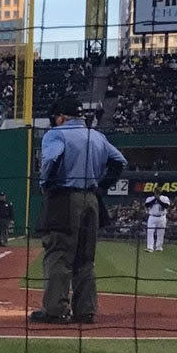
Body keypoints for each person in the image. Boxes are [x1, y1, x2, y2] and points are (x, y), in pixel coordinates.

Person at [32, 97, 126, 324]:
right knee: (85, 258)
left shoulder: (56, 134)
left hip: (65, 199)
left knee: (58, 254)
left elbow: (52, 158)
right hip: (92, 200)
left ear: (61, 117)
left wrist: (48, 184)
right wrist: (102, 186)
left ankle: (56, 310)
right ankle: (85, 310)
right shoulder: (97, 136)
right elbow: (119, 161)